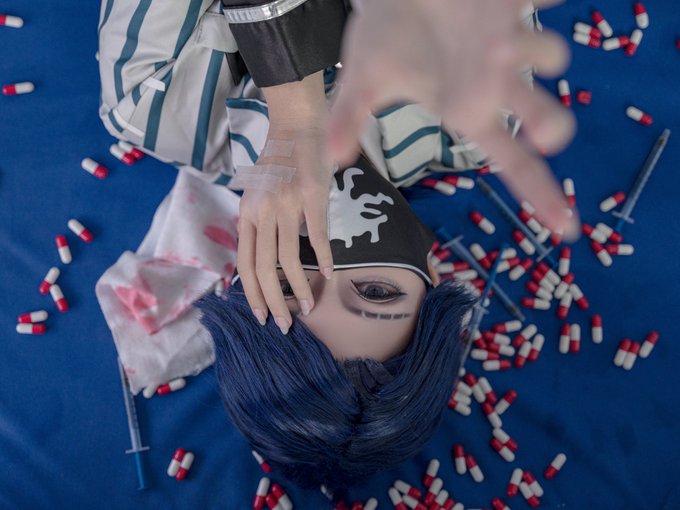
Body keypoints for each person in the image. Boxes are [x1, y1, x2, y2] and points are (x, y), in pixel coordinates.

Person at [196, 155, 477, 499]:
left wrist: (286, 137)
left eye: (285, 288)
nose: (325, 245)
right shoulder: (476, 135)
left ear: (235, 276)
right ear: (432, 275)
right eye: (376, 292)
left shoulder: (158, 123)